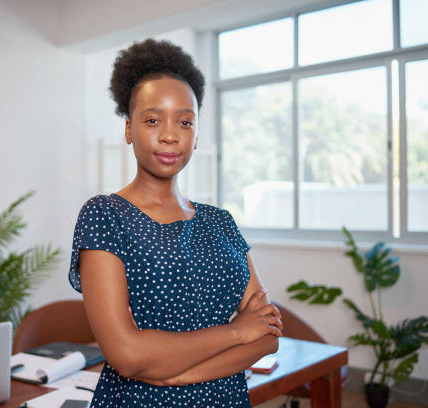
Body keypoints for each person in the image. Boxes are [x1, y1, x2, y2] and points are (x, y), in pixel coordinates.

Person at [68, 38, 282, 407]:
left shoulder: (221, 222)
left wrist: (180, 376)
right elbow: (127, 355)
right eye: (152, 120)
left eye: (185, 121)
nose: (170, 134)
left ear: (197, 134)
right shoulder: (105, 216)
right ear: (129, 129)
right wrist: (236, 332)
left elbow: (269, 336)